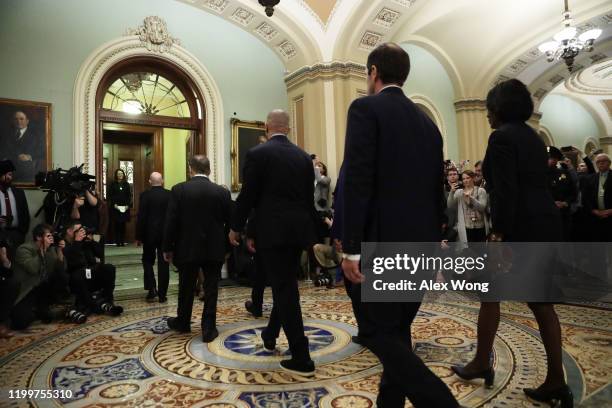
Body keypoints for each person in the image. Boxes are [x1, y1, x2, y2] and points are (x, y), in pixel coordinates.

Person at [340, 43, 458, 407]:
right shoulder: (428, 123)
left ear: (373, 72)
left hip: (381, 243)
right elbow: (436, 189)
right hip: (421, 243)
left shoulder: (365, 108)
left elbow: (357, 180)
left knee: (376, 332)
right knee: (397, 329)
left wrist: (350, 247)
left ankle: (440, 402)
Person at [451, 79, 572, 408]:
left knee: (489, 294)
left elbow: (505, 191)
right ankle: (556, 380)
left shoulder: (501, 137)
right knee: (541, 302)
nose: (487, 114)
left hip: (520, 228)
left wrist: (498, 234)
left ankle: (480, 363)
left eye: (490, 107)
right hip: (545, 223)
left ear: (501, 108)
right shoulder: (533, 137)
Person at [229, 109, 318, 376]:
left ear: (267, 127)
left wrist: (237, 228)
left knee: (285, 290)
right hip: (298, 233)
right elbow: (307, 200)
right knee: (286, 285)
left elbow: (250, 197)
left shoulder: (258, 154)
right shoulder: (304, 157)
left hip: (272, 232)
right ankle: (270, 333)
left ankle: (302, 357)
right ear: (288, 128)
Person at [163, 155, 231, 343]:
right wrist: (226, 247)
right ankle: (208, 328)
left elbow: (171, 222)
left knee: (185, 287)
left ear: (190, 169)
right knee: (211, 288)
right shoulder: (221, 192)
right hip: (214, 249)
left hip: (187, 248)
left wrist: (167, 247)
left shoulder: (179, 190)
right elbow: (231, 223)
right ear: (209, 170)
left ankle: (183, 322)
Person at [10, 224, 66, 330]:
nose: (51, 239)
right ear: (39, 237)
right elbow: (33, 268)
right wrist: (42, 250)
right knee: (20, 323)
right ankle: (36, 311)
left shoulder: (50, 249)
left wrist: (59, 250)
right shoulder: (24, 249)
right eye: (48, 236)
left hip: (42, 287)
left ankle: (43, 308)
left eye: (52, 236)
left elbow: (60, 268)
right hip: (27, 289)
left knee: (60, 276)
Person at [63, 220, 122, 317]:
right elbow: (74, 263)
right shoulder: (64, 244)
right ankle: (94, 305)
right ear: (69, 231)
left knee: (109, 268)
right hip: (76, 280)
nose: (82, 232)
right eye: (79, 230)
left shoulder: (85, 241)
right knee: (78, 274)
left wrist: (92, 238)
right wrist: (77, 242)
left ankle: (108, 300)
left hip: (89, 274)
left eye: (83, 229)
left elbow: (101, 240)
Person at [136, 172, 171, 303]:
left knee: (147, 261)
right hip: (165, 235)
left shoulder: (145, 195)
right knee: (164, 263)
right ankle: (162, 295)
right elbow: (172, 216)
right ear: (162, 181)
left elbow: (141, 217)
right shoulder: (169, 194)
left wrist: (138, 236)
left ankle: (152, 289)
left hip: (149, 234)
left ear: (150, 182)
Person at [447, 170, 489, 246]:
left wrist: (471, 199)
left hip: (480, 227)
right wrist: (451, 192)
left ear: (473, 178)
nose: (465, 180)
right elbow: (450, 206)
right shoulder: (459, 192)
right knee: (470, 252)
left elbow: (482, 207)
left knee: (482, 252)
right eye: (463, 179)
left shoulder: (481, 191)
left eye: (468, 178)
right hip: (466, 228)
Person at [547, 146, 578, 241]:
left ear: (557, 160)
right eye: (549, 158)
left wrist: (565, 203)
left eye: (554, 158)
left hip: (563, 215)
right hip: (546, 215)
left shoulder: (564, 173)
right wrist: (550, 203)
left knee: (564, 241)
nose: (551, 160)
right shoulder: (537, 175)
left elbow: (573, 192)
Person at [4, 111, 44, 182]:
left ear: (27, 121)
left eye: (21, 119)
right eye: (16, 119)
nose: (18, 121)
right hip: (9, 174)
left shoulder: (36, 136)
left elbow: (42, 152)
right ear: (13, 121)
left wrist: (29, 156)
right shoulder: (7, 135)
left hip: (27, 174)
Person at [0, 160, 30, 253]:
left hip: (17, 235)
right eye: (8, 174)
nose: (10, 177)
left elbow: (26, 215)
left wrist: (22, 233)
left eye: (11, 175)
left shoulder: (19, 193)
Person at [584, 153, 612, 242]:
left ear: (609, 163)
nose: (601, 163)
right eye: (598, 162)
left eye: (603, 161)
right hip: (596, 217)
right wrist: (593, 210)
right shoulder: (590, 178)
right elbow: (585, 198)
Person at [108, 169, 132, 246]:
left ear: (123, 174)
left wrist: (128, 205)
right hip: (116, 207)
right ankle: (117, 242)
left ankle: (122, 241)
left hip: (125, 207)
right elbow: (110, 196)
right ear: (116, 175)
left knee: (123, 225)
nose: (120, 175)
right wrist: (114, 204)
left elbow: (129, 196)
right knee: (117, 224)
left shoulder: (126, 184)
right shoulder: (112, 184)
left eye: (121, 173)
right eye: (118, 173)